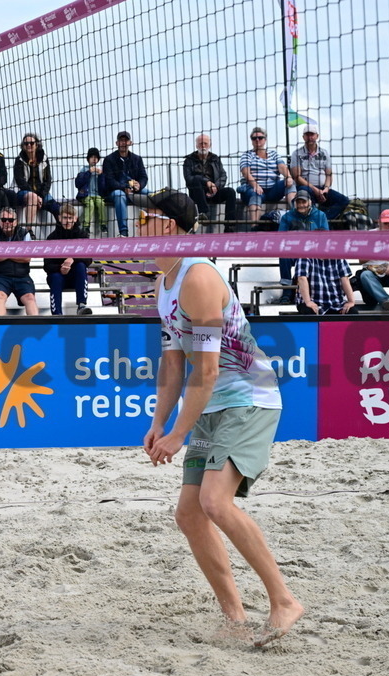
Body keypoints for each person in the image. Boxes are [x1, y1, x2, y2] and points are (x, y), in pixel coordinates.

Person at [142, 189, 302, 648]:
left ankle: (284, 599)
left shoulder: (198, 277)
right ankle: (235, 618)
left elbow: (208, 369)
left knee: (214, 502)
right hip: (212, 403)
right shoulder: (165, 281)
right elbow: (173, 363)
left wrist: (177, 433)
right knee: (190, 515)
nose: (135, 227)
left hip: (248, 397)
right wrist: (159, 422)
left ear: (167, 226)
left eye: (145, 218)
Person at [276, 188, 329, 304]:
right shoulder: (287, 217)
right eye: (298, 202)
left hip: (314, 251)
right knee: (283, 254)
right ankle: (287, 291)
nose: (300, 205)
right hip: (294, 250)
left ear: (310, 202)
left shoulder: (320, 215)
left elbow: (325, 236)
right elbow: (281, 237)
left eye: (303, 202)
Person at [289, 125, 350, 220]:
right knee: (306, 197)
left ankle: (324, 219)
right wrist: (315, 190)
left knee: (344, 200)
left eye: (312, 134)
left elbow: (329, 175)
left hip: (322, 189)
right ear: (303, 137)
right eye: (307, 134)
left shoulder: (324, 153)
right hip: (306, 188)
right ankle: (315, 220)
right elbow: (297, 177)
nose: (310, 137)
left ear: (317, 136)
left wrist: (326, 189)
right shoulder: (296, 153)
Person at [0, 207, 38, 316]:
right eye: (4, 220)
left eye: (10, 220)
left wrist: (4, 253)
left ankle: (35, 328)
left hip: (22, 276)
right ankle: (0, 329)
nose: (7, 223)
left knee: (30, 298)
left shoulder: (25, 233)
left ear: (16, 222)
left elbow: (27, 258)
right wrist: (16, 252)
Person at [239, 127, 295, 226]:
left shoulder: (273, 154)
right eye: (254, 138)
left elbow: (282, 167)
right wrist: (255, 185)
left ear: (265, 139)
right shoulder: (247, 155)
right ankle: (254, 227)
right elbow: (245, 173)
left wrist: (289, 177)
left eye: (260, 137)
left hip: (273, 189)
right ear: (251, 140)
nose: (257, 140)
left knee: (290, 183)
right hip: (254, 188)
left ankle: (296, 213)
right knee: (254, 194)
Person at [183, 134, 239, 232]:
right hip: (197, 194)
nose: (203, 146)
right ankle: (204, 214)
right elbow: (189, 179)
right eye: (201, 143)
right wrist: (206, 182)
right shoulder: (189, 160)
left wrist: (216, 186)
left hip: (214, 192)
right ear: (196, 145)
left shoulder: (215, 159)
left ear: (210, 145)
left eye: (205, 143)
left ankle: (230, 226)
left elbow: (223, 176)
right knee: (196, 179)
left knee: (230, 191)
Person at [44, 203, 92, 316]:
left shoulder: (82, 235)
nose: (68, 221)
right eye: (65, 217)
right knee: (55, 277)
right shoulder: (52, 238)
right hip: (58, 275)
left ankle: (82, 305)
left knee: (81, 266)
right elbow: (47, 266)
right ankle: (57, 314)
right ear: (60, 218)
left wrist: (72, 259)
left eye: (70, 218)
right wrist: (61, 268)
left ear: (75, 219)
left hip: (75, 276)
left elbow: (88, 259)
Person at [103, 130, 150, 236]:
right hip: (114, 192)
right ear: (117, 143)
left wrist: (139, 185)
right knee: (119, 195)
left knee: (150, 194)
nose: (123, 143)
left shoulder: (137, 159)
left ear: (130, 142)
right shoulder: (109, 159)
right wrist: (125, 187)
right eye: (121, 140)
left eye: (126, 140)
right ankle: (123, 232)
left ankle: (155, 227)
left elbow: (144, 177)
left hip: (134, 191)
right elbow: (110, 181)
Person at [13, 133, 61, 231]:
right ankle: (28, 230)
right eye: (26, 144)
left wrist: (41, 196)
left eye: (31, 143)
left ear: (37, 144)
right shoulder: (19, 160)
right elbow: (20, 181)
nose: (29, 145)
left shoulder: (44, 159)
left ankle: (61, 230)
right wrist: (36, 196)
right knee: (32, 197)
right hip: (23, 192)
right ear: (23, 146)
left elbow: (48, 181)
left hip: (42, 193)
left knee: (57, 208)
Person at [75, 147, 108, 235]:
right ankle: (86, 226)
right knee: (90, 204)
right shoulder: (84, 169)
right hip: (86, 194)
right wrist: (89, 172)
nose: (94, 159)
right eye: (92, 157)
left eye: (96, 157)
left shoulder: (99, 171)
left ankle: (103, 224)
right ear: (88, 159)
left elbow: (103, 187)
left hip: (97, 194)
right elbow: (78, 183)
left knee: (101, 203)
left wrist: (101, 176)